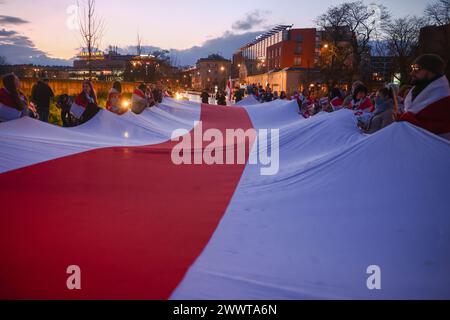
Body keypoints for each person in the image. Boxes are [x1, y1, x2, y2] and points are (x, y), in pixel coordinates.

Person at [399, 54, 450, 139]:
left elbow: (433, 125)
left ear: (431, 71)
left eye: (417, 69)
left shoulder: (444, 98)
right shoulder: (417, 89)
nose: (412, 73)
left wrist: (404, 119)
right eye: (412, 68)